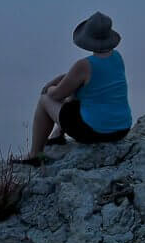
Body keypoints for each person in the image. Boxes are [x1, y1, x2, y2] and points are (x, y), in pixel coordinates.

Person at [12, 11, 133, 166]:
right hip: (121, 129)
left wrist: (48, 88)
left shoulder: (84, 65)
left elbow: (56, 95)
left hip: (94, 132)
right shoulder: (117, 58)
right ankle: (57, 135)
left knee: (45, 100)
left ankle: (35, 154)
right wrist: (61, 79)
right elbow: (83, 80)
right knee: (79, 94)